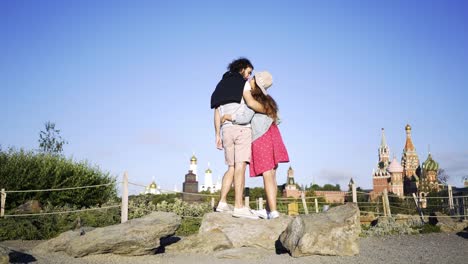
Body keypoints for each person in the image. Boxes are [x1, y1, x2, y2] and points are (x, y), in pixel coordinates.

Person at [221, 71, 289, 219]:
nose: (249, 79)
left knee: (267, 174)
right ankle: (270, 209)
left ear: (256, 84)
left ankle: (273, 212)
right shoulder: (268, 101)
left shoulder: (253, 100)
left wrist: (229, 116)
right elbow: (278, 119)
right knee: (272, 174)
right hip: (274, 135)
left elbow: (245, 117)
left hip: (261, 137)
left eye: (252, 79)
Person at [210, 58, 265, 219]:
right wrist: (267, 109)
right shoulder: (244, 84)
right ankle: (239, 206)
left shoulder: (220, 86)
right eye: (248, 72)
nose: (249, 76)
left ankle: (222, 203)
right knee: (240, 166)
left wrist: (217, 135)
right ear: (242, 69)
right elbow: (251, 103)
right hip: (241, 128)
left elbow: (217, 113)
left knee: (231, 167)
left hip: (226, 131)